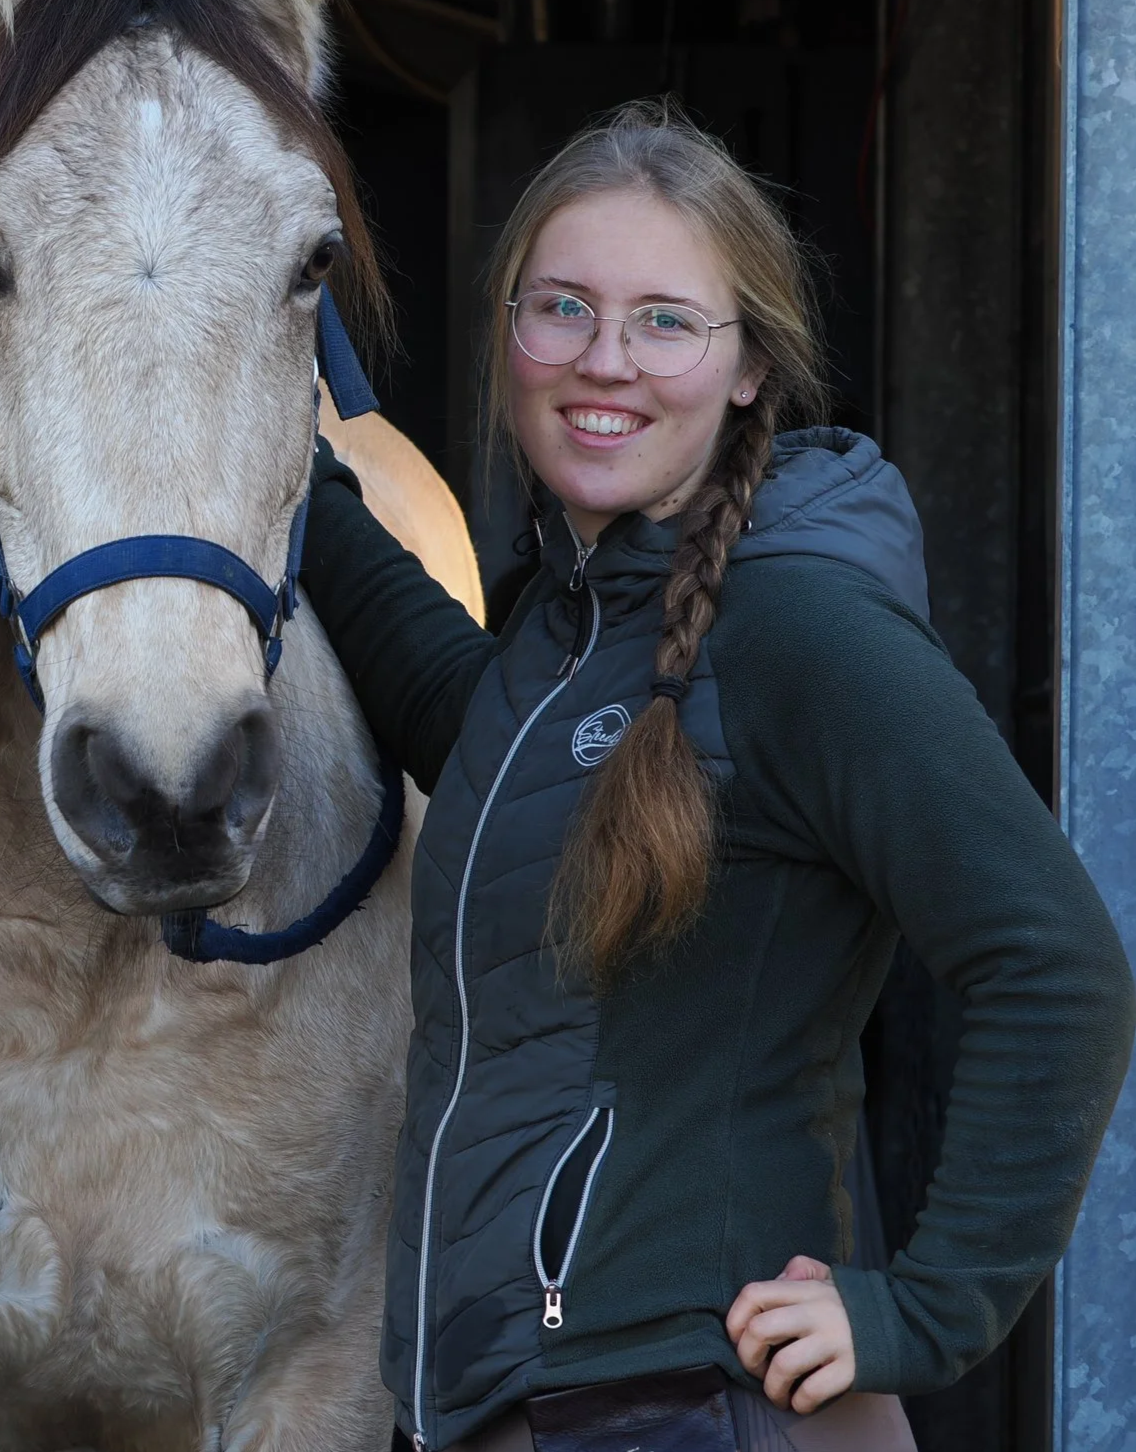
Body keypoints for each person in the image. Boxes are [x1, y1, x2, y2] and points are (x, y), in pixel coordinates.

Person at [298, 101, 1135, 1452]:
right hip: (543, 1397)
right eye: (560, 307)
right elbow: (476, 738)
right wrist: (290, 485)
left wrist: (923, 1312)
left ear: (750, 366)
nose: (604, 360)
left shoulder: (804, 629)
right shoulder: (568, 633)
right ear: (509, 336)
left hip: (687, 1404)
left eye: (666, 321)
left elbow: (1059, 965)